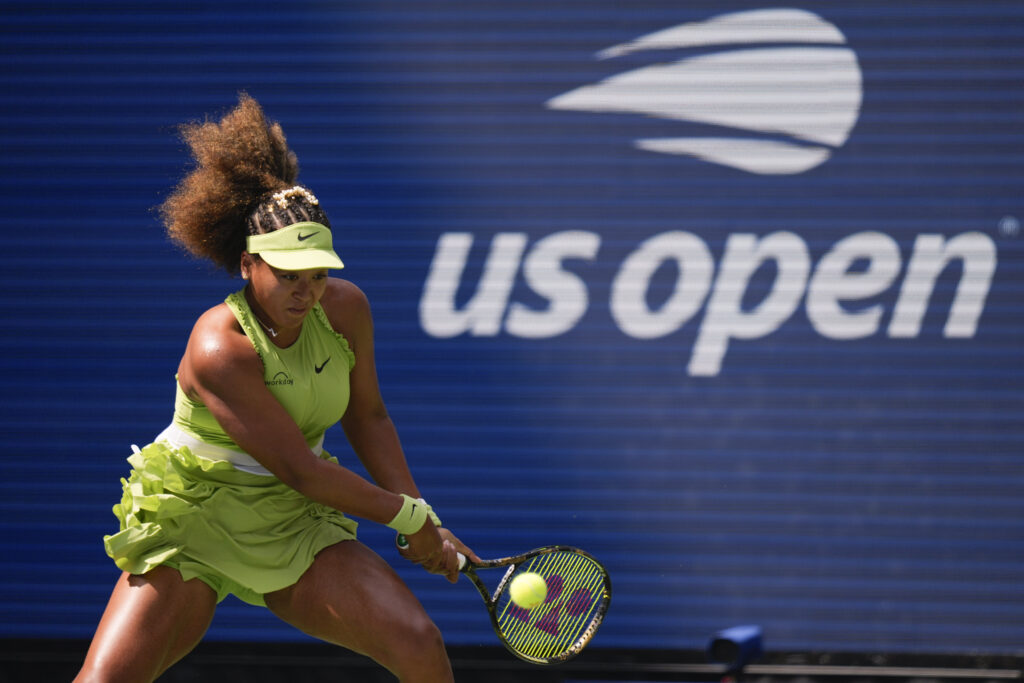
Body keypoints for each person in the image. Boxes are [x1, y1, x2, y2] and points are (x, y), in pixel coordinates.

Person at [74, 94, 477, 683]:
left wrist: (425, 515)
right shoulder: (220, 346)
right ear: (246, 265)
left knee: (419, 643)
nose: (305, 291)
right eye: (287, 274)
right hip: (197, 520)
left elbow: (368, 416)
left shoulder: (345, 310)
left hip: (293, 523)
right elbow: (302, 469)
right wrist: (407, 518)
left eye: (317, 275)